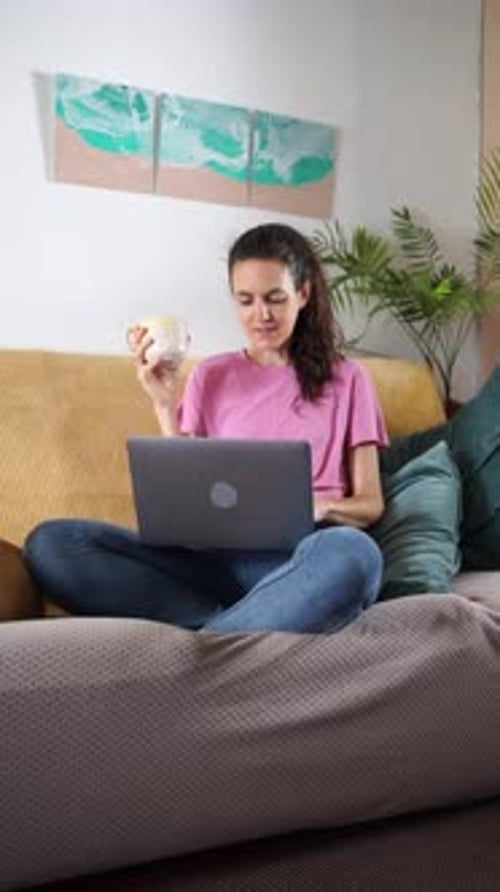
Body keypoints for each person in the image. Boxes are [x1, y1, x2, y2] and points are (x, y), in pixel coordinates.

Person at [24, 223, 388, 634]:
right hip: (209, 565)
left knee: (355, 554)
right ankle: (233, 631)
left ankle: (207, 641)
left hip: (299, 560)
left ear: (303, 294)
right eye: (245, 300)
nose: (261, 315)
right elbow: (189, 492)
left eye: (275, 298)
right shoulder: (210, 374)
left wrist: (320, 506)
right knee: (52, 544)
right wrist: (164, 402)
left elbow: (370, 504)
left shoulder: (349, 379)